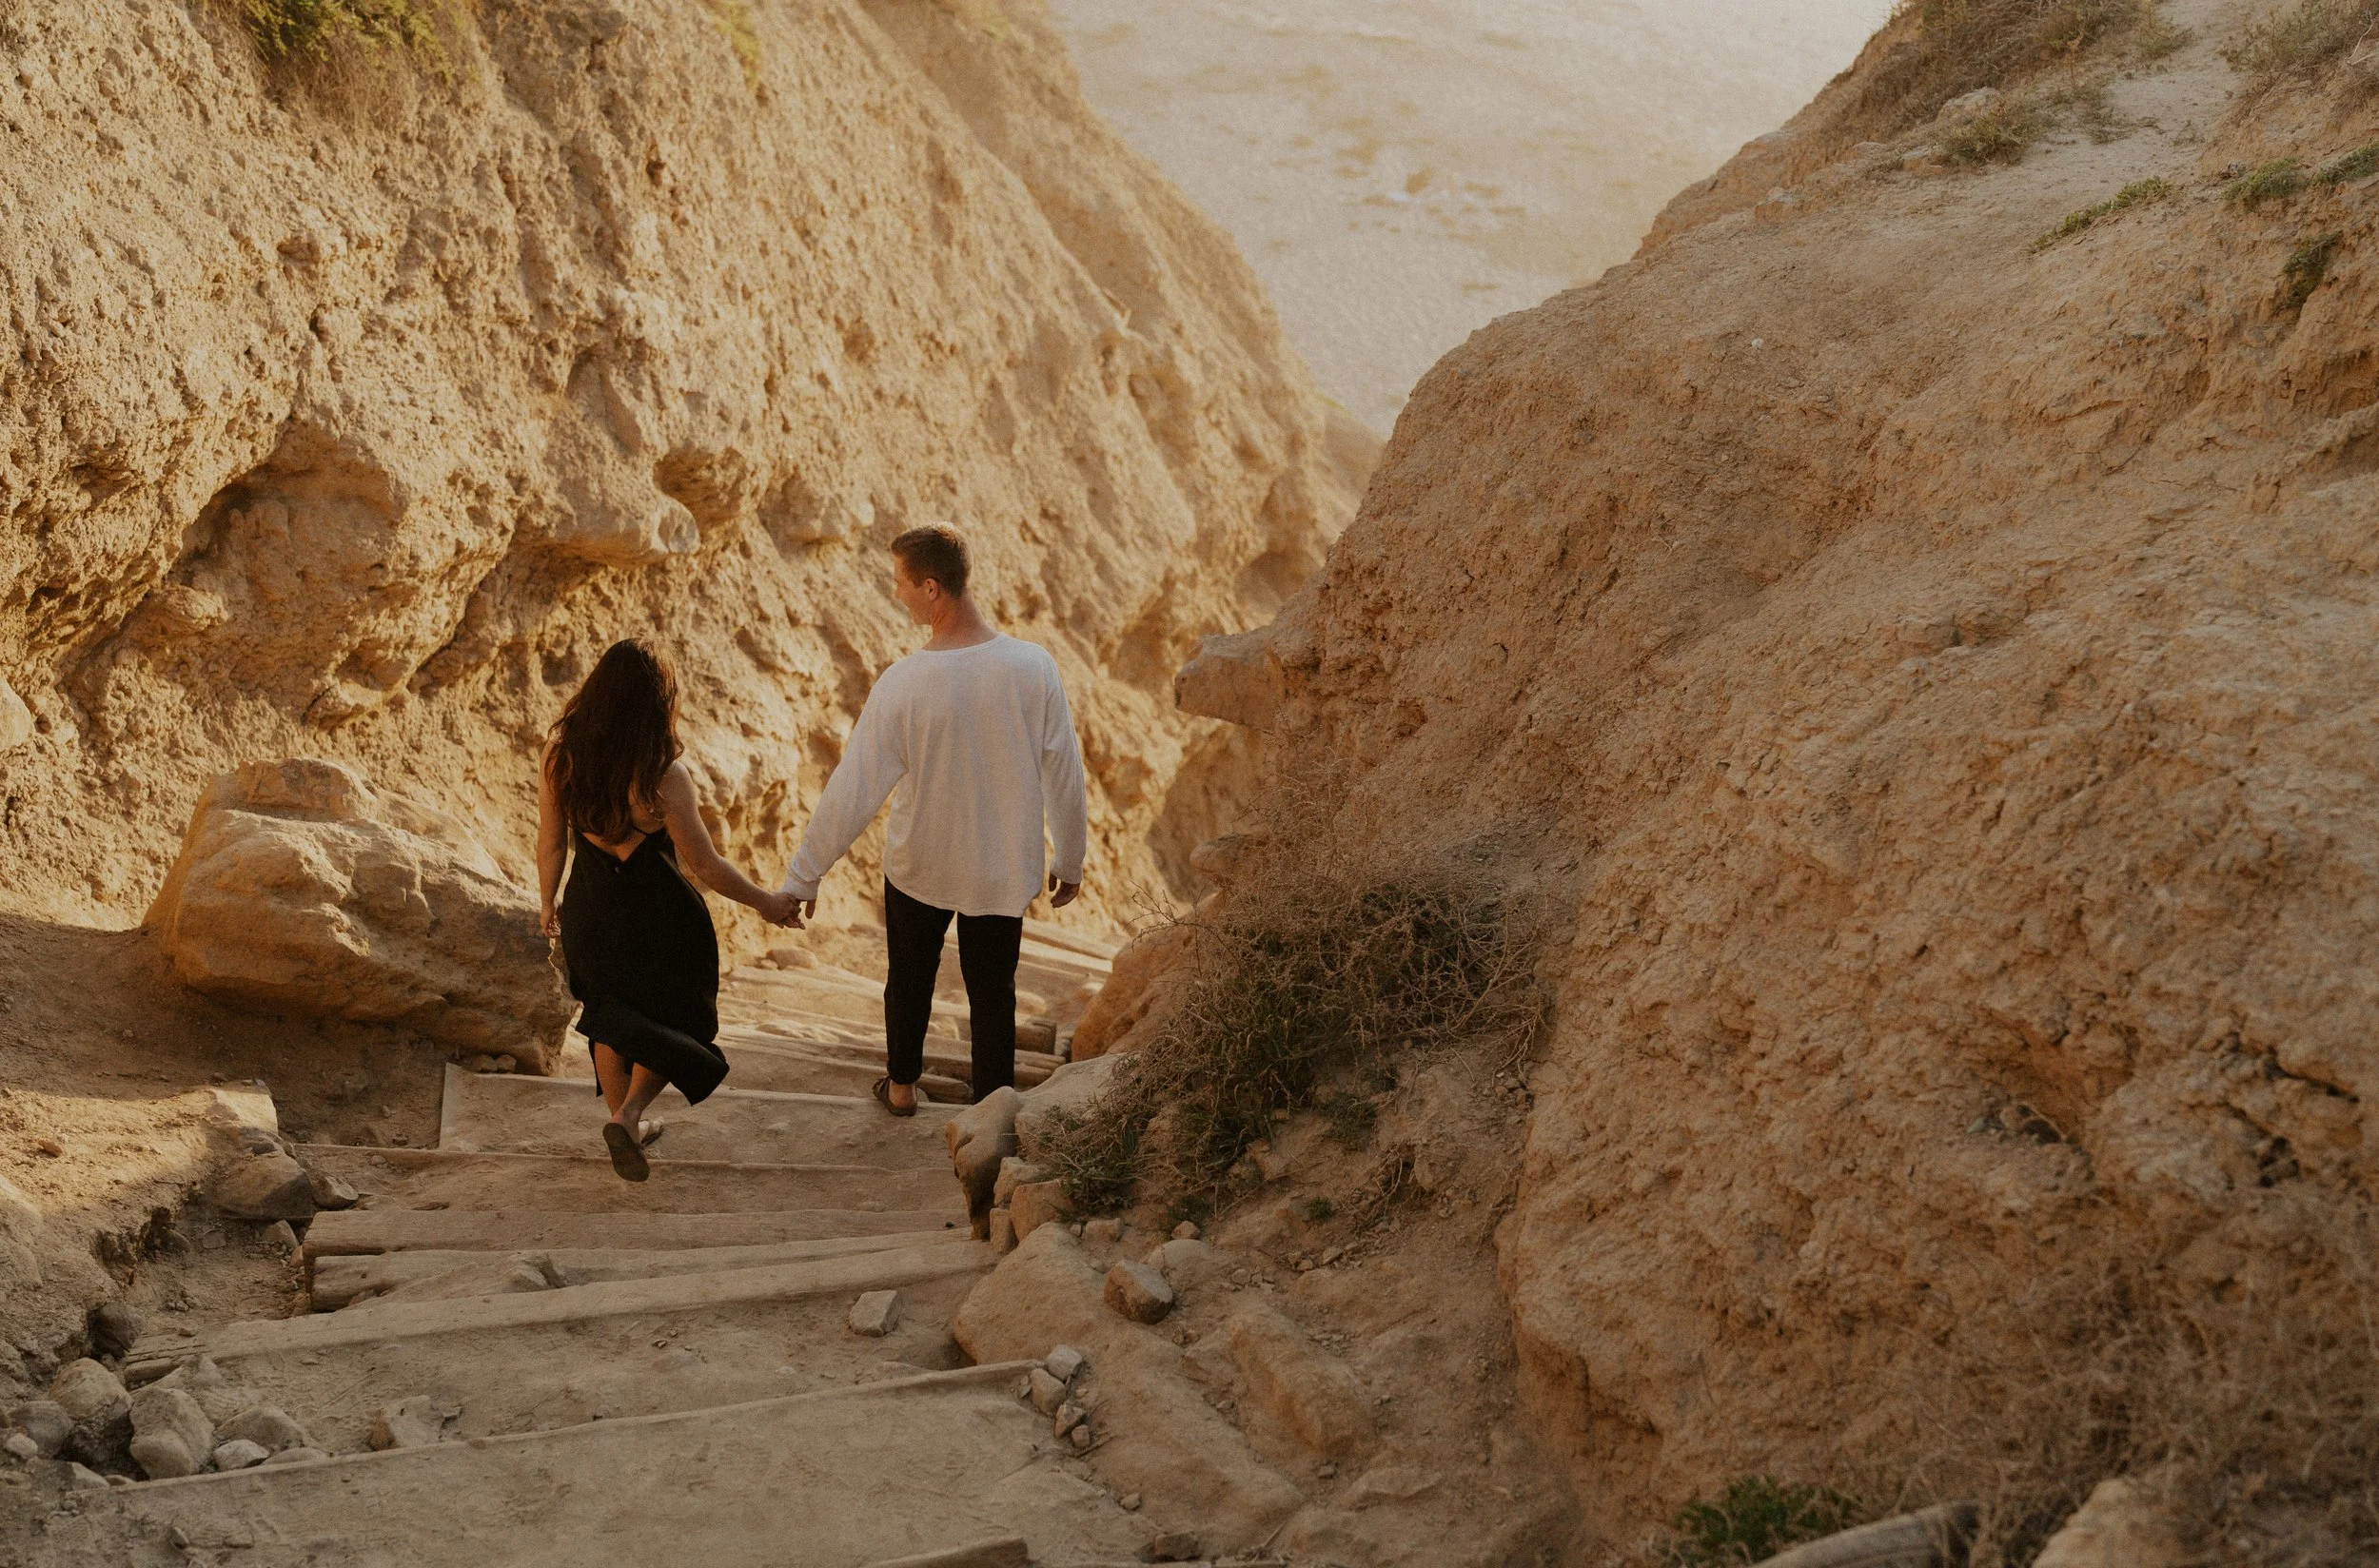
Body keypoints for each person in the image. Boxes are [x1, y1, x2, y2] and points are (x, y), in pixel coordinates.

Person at [780, 522, 1089, 1113]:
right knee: (993, 993)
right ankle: (993, 1112)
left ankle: (901, 1088)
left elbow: (855, 786)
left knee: (911, 978)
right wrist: (1069, 857)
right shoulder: (1033, 667)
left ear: (930, 587)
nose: (894, 594)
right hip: (1000, 867)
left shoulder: (904, 682)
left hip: (922, 861)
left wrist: (805, 875)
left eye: (899, 583)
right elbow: (1063, 771)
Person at [537, 639, 799, 1181]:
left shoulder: (561, 756)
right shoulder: (661, 774)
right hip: (660, 916)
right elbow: (704, 864)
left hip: (590, 907)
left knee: (608, 1014)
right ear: (657, 703)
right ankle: (631, 1112)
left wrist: (548, 902)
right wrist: (768, 904)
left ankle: (622, 1122)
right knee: (680, 1016)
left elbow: (550, 843)